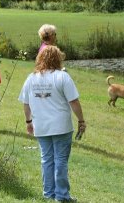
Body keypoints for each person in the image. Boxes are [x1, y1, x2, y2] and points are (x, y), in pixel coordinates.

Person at [18, 45, 86, 202]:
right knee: (60, 160)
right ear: (58, 59)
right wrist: (81, 120)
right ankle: (62, 195)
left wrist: (28, 121)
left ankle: (49, 194)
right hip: (61, 126)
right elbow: (74, 101)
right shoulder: (62, 77)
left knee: (47, 159)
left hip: (41, 125)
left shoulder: (31, 78)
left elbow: (26, 103)